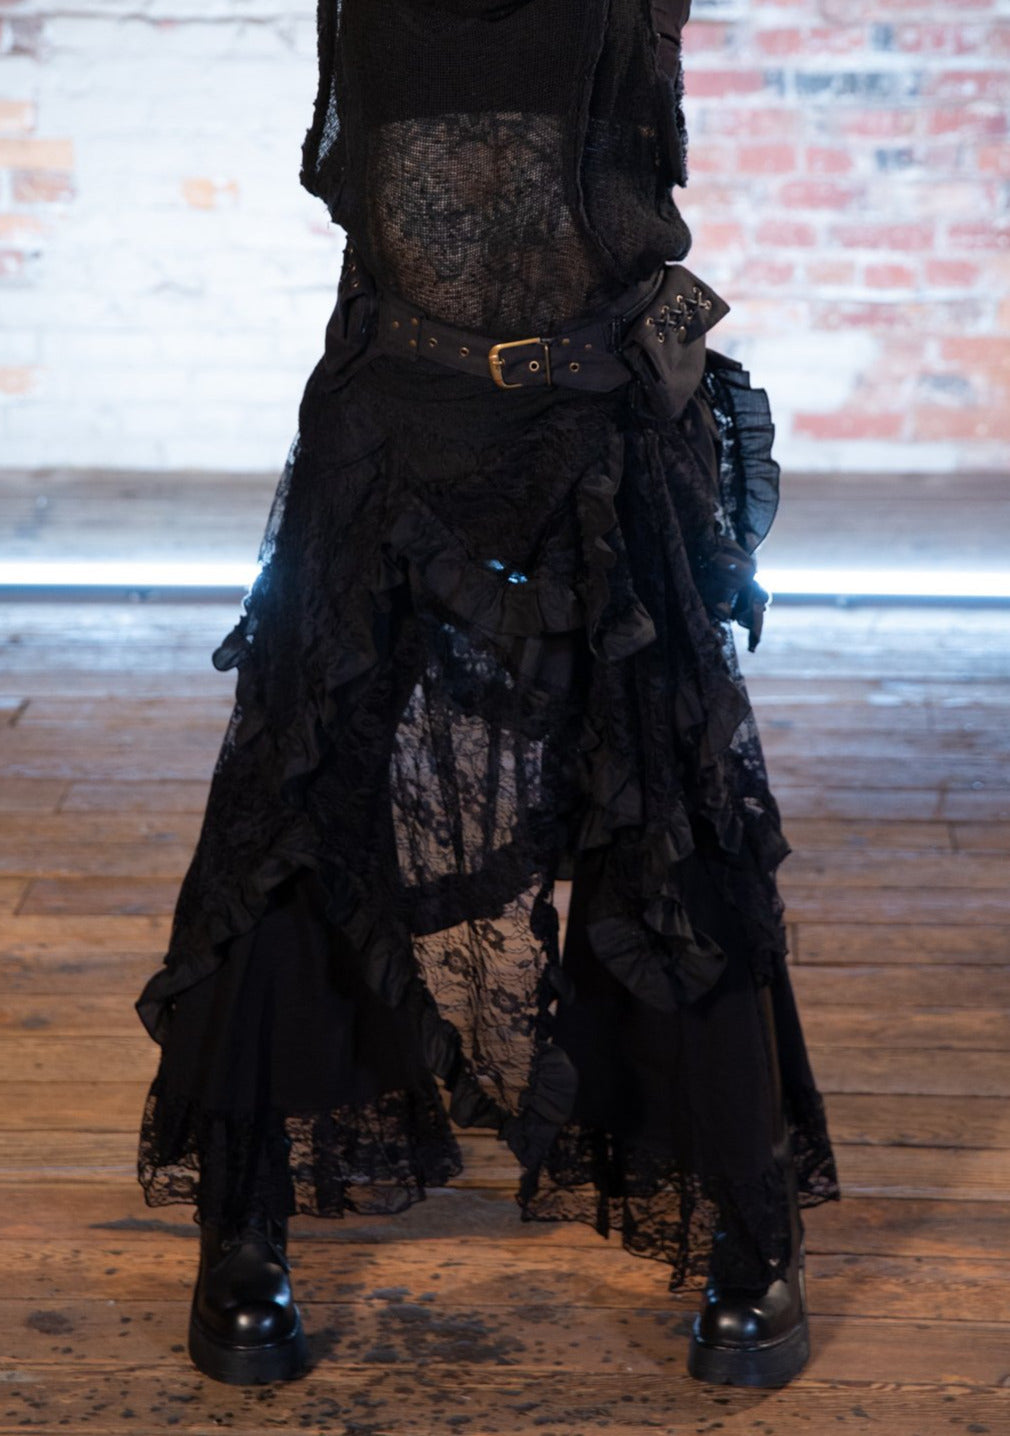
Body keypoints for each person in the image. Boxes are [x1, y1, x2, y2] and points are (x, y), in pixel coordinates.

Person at [133, 0, 841, 1391]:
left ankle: (742, 1219)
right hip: (392, 415)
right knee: (299, 797)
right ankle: (247, 1219)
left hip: (599, 423)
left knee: (665, 804)